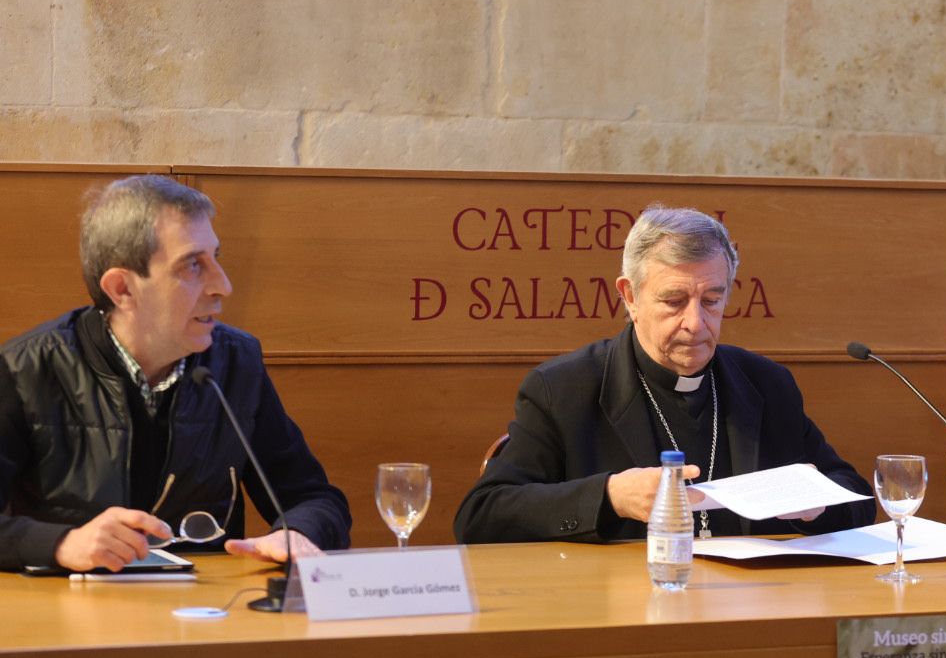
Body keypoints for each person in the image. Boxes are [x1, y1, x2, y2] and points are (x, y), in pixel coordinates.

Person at [454, 206, 873, 543]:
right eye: (674, 301)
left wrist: (815, 505)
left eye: (712, 300)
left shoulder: (766, 384)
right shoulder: (563, 389)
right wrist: (610, 496)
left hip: (751, 612)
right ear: (630, 296)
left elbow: (855, 495)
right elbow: (481, 515)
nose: (696, 322)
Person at [0, 175, 351, 573]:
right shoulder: (25, 369)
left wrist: (298, 532)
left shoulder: (236, 364)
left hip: (202, 615)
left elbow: (318, 500)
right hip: (67, 618)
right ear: (122, 289)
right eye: (193, 265)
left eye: (217, 257)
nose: (223, 285)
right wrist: (61, 543)